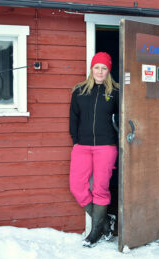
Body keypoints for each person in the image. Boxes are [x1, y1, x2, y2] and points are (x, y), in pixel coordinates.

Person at [69, 52, 119, 247]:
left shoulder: (115, 92)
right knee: (77, 187)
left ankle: (96, 231)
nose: (100, 71)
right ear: (92, 69)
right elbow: (74, 118)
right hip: (82, 146)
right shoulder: (79, 91)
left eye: (104, 68)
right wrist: (76, 139)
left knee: (100, 188)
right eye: (97, 67)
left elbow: (121, 118)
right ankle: (106, 221)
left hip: (106, 147)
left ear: (108, 71)